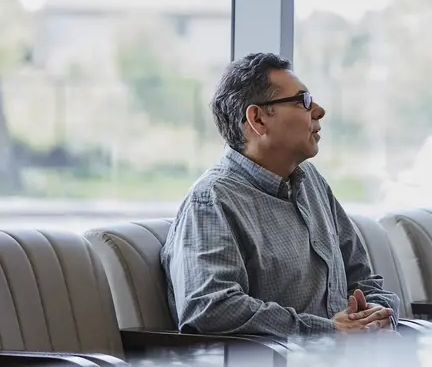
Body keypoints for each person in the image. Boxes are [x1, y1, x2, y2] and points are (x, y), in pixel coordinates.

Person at [161, 53, 400, 338]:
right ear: (258, 119)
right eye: (304, 101)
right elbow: (210, 307)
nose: (319, 110)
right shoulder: (212, 200)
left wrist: (377, 313)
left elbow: (363, 279)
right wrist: (327, 332)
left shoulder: (312, 182)